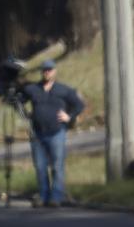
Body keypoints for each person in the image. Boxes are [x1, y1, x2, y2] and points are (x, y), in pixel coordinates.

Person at [18, 60, 84, 208]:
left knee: (56, 165)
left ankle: (56, 196)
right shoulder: (33, 89)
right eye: (44, 70)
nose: (47, 72)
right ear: (41, 72)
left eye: (49, 70)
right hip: (37, 134)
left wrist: (69, 117)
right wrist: (26, 116)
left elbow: (79, 105)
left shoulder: (63, 90)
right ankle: (43, 195)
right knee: (40, 167)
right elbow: (19, 102)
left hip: (57, 132)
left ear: (54, 71)